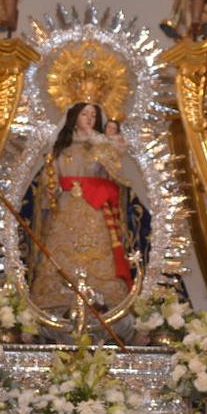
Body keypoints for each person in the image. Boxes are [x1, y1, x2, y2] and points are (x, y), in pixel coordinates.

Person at [31, 103, 134, 314]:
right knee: (61, 252)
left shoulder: (103, 145)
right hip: (66, 207)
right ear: (74, 117)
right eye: (84, 114)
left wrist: (97, 142)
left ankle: (103, 299)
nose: (89, 118)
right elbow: (50, 177)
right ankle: (58, 299)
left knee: (98, 252)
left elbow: (114, 172)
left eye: (94, 115)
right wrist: (52, 187)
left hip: (95, 207)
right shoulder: (62, 147)